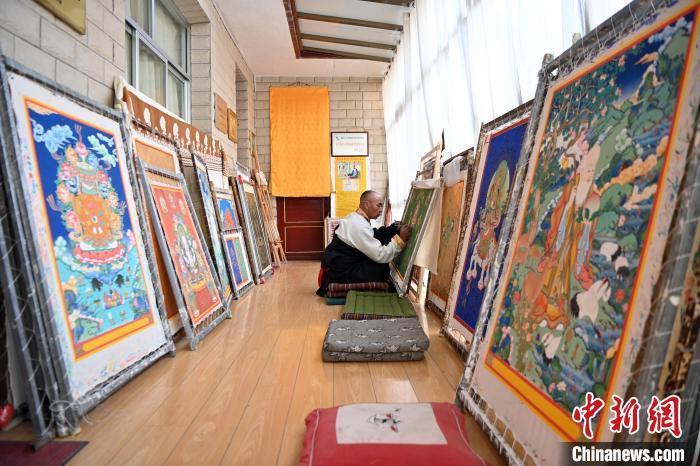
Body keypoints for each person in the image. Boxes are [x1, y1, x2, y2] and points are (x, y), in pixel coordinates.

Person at [317, 190, 412, 296]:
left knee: (379, 258)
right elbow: (381, 255)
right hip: (339, 273)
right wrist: (400, 240)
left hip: (340, 266)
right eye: (379, 205)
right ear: (366, 205)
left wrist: (392, 229)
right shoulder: (358, 226)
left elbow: (374, 235)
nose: (381, 210)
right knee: (380, 267)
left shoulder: (356, 217)